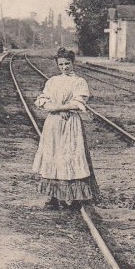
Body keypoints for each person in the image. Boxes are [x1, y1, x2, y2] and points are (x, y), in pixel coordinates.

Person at [32, 47, 98, 209]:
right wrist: (59, 109)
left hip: (70, 124)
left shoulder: (79, 82)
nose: (64, 67)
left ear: (73, 63)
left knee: (70, 154)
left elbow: (78, 102)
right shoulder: (52, 81)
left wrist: (59, 108)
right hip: (53, 124)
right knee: (53, 154)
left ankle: (74, 197)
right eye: (61, 64)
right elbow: (42, 100)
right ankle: (53, 196)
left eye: (67, 64)